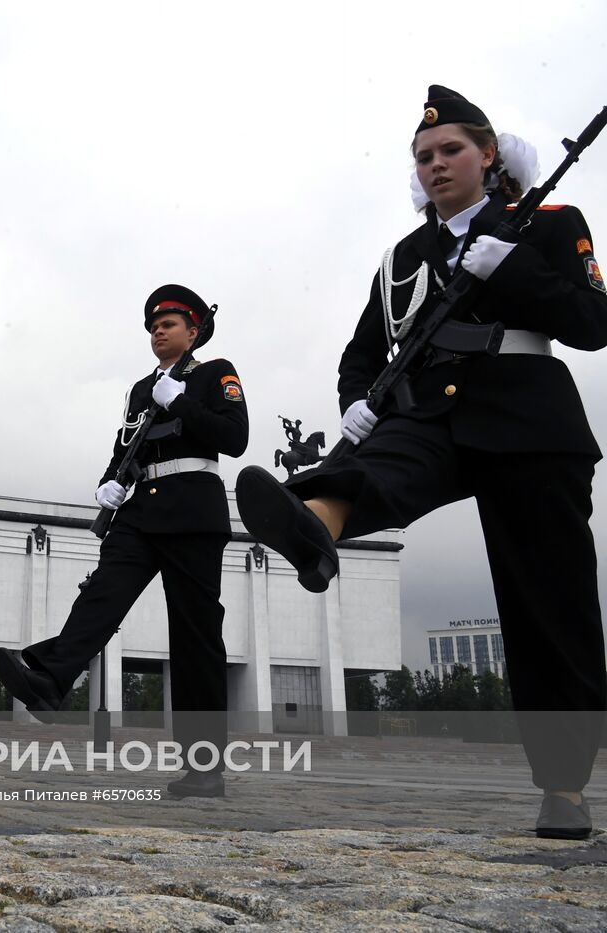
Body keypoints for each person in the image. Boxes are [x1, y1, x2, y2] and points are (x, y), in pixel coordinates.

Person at [235, 85, 606, 838]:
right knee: (377, 466)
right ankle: (314, 523)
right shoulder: (405, 257)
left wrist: (516, 272)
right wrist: (354, 403)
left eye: (451, 151)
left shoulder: (546, 223)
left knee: (549, 605)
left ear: (487, 155)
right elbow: (362, 354)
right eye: (424, 157)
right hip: (430, 409)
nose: (436, 165)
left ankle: (563, 786)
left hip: (528, 409)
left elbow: (596, 324)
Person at [0, 285, 249, 798]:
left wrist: (182, 402)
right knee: (101, 595)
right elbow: (128, 444)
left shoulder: (214, 373)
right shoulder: (140, 389)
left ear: (194, 330)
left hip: (193, 509)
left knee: (195, 637)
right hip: (141, 509)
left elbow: (235, 437)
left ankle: (204, 767)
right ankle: (49, 680)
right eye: (153, 326)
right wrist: (112, 479)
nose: (159, 332)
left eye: (170, 324)